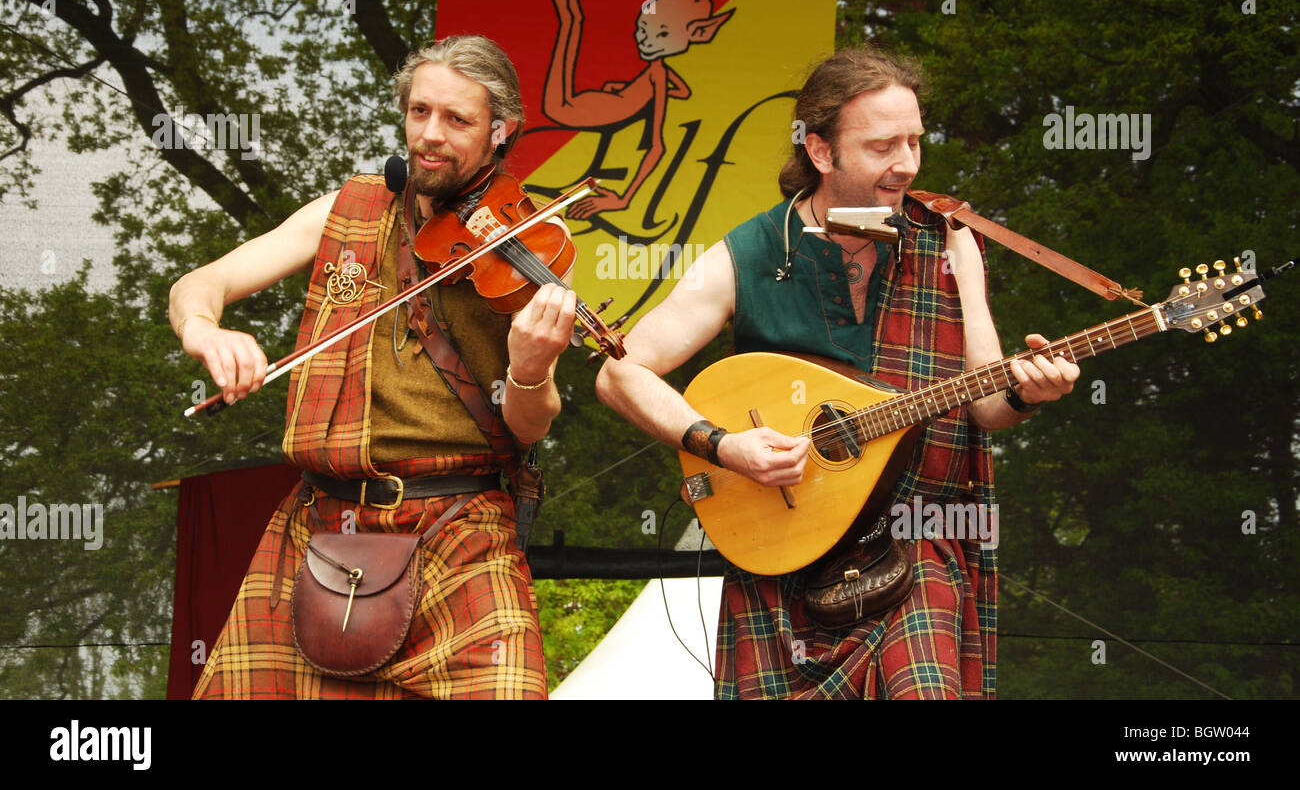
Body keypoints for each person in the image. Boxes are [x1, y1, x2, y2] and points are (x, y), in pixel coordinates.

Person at [595, 47, 1080, 699]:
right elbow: (619, 375)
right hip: (783, 547)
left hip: (916, 544)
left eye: (914, 140)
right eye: (883, 146)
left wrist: (1026, 392)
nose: (906, 163)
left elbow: (988, 401)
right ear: (821, 152)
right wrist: (723, 445)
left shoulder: (950, 239)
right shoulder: (749, 254)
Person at [170, 35, 577, 699]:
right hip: (320, 522)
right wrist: (204, 329)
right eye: (420, 113)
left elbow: (530, 427)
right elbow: (201, 282)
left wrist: (530, 370)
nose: (430, 136)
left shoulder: (523, 248)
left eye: (457, 120)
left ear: (503, 132)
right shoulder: (348, 210)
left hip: (459, 528)